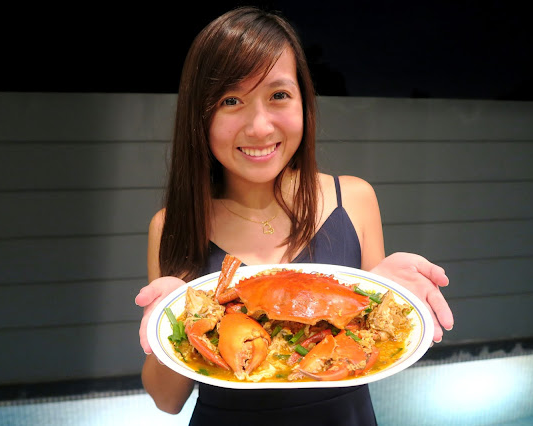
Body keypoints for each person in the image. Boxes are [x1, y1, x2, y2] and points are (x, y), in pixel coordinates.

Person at [135, 6, 454, 425]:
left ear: (305, 101)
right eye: (231, 100)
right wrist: (173, 323)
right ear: (200, 115)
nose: (260, 127)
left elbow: (373, 351)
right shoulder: (173, 225)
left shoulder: (353, 200)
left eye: (278, 95)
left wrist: (391, 301)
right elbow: (166, 400)